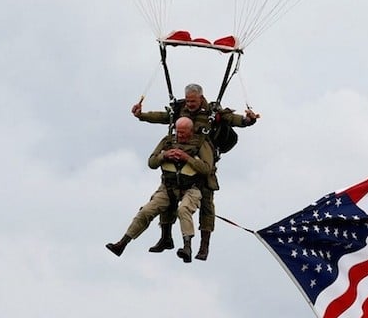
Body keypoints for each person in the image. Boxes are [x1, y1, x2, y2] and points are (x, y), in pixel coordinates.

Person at [130, 83, 259, 261]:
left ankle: (204, 247)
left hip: (203, 162)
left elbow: (236, 120)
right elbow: (163, 116)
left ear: (201, 97)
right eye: (188, 100)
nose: (189, 104)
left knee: (206, 205)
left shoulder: (213, 112)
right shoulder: (180, 109)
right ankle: (165, 238)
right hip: (180, 163)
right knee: (168, 193)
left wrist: (248, 120)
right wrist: (141, 116)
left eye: (193, 101)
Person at [106, 117, 214, 263]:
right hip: (168, 187)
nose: (180, 136)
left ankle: (187, 247)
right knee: (146, 211)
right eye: (178, 132)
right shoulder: (168, 141)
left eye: (184, 133)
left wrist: (186, 158)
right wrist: (165, 155)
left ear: (191, 131)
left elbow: (207, 169)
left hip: (192, 188)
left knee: (183, 210)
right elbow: (152, 162)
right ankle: (122, 243)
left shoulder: (201, 144)